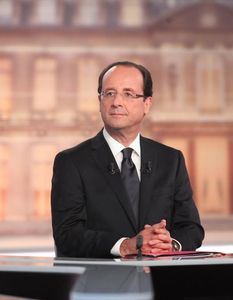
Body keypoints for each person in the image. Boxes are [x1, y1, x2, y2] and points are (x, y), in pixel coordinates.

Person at [51, 61, 205, 258]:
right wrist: (126, 246)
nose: (116, 102)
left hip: (159, 282)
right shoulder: (71, 162)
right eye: (109, 93)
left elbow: (192, 228)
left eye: (128, 94)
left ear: (146, 104)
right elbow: (67, 235)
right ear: (100, 101)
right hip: (100, 282)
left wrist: (170, 244)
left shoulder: (170, 160)